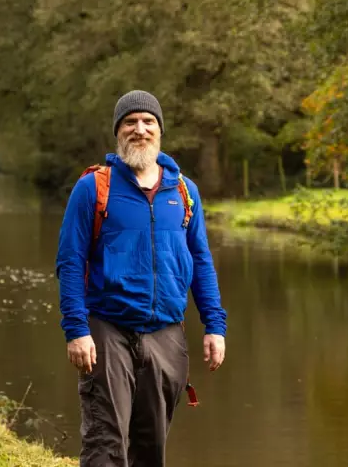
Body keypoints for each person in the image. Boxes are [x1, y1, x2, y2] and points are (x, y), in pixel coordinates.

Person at [56, 90, 227, 467]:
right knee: (106, 440)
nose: (140, 129)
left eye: (148, 122)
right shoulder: (93, 188)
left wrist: (215, 325)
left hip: (166, 332)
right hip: (106, 328)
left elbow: (200, 260)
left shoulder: (184, 191)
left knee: (151, 446)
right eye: (130, 122)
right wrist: (76, 330)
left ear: (160, 131)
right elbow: (70, 262)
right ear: (118, 132)